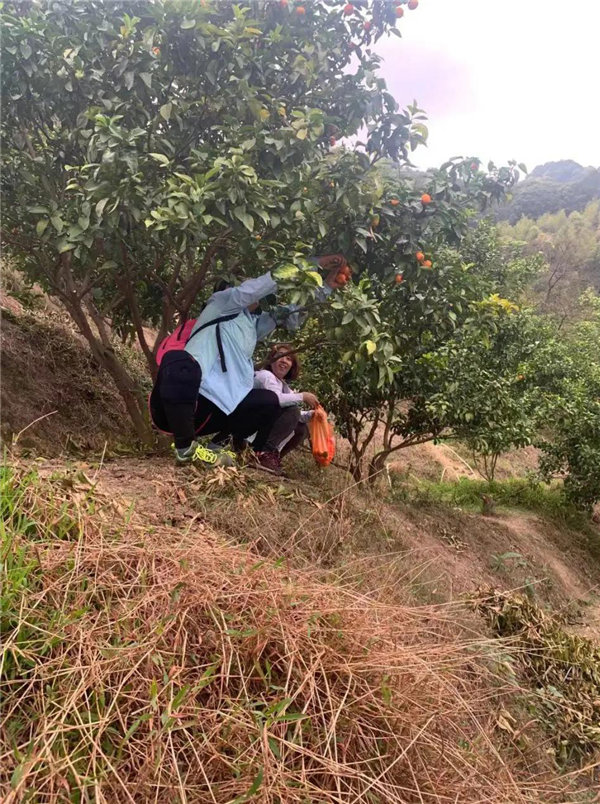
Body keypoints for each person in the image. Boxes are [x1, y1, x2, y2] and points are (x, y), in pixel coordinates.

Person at [151, 255, 347, 471]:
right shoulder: (221, 302)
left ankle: (215, 449)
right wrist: (314, 263)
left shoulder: (252, 325)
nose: (254, 290)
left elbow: (292, 317)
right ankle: (185, 447)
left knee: (269, 400)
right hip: (185, 402)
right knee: (178, 361)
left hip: (218, 411)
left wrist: (326, 286)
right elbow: (258, 287)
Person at [251, 343, 318, 470]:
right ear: (271, 360)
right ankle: (263, 453)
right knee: (293, 410)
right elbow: (276, 399)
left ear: (292, 366)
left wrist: (312, 414)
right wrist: (302, 396)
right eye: (280, 356)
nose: (284, 360)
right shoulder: (265, 375)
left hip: (263, 425)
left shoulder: (283, 385)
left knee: (302, 428)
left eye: (288, 358)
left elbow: (296, 416)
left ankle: (273, 458)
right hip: (249, 424)